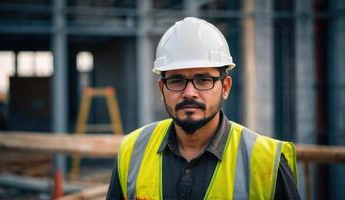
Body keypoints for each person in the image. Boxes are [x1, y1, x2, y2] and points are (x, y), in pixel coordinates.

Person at [107, 17, 300, 200]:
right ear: (162, 89)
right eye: (176, 81)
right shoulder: (132, 151)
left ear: (225, 87)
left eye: (203, 80)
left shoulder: (266, 161)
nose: (189, 92)